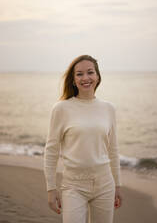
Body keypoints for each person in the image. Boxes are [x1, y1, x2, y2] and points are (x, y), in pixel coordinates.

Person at [44, 55, 122, 223]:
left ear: (98, 76)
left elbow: (113, 150)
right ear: (73, 79)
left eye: (90, 72)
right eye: (79, 74)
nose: (85, 78)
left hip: (105, 184)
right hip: (73, 185)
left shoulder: (109, 108)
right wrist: (51, 189)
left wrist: (118, 185)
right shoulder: (61, 108)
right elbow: (51, 151)